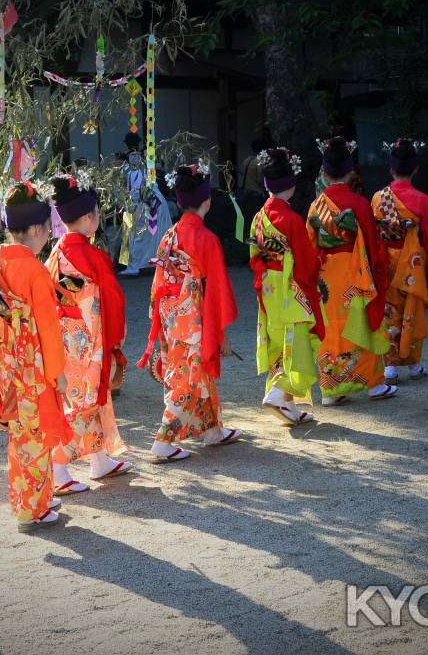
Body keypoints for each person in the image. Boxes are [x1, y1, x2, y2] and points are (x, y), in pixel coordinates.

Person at [0, 183, 74, 531]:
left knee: (22, 436)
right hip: (33, 366)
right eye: (48, 231)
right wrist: (59, 373)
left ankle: (36, 497)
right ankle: (31, 509)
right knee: (35, 438)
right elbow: (48, 330)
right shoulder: (36, 272)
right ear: (37, 229)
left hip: (6, 364)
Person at [139, 162, 241, 463]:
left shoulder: (169, 235)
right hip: (194, 314)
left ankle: (212, 429)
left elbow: (159, 284)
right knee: (189, 376)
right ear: (207, 200)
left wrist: (160, 318)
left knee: (194, 368)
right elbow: (217, 290)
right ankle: (162, 440)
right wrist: (219, 333)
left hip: (172, 314)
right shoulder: (206, 239)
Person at [46, 174, 133, 495]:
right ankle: (58, 470)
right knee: (82, 403)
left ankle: (99, 459)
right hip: (89, 342)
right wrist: (115, 342)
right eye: (97, 212)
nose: (98, 216)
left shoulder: (54, 255)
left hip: (62, 340)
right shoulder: (93, 257)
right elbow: (111, 301)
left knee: (89, 399)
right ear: (87, 217)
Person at [307, 137, 396, 405]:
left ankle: (331, 390)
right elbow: (371, 243)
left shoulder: (315, 206)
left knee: (330, 327)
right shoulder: (358, 203)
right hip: (356, 272)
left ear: (323, 172)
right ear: (350, 172)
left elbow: (309, 246)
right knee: (362, 322)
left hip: (326, 276)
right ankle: (374, 385)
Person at [250, 147, 325, 425]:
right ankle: (279, 392)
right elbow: (305, 263)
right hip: (291, 290)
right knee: (301, 344)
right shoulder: (292, 221)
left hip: (269, 288)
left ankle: (288, 407)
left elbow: (255, 256)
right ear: (291, 185)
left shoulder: (259, 217)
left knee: (281, 343)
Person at [371, 139, 428, 384]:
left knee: (389, 312)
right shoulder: (421, 199)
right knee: (413, 309)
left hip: (385, 261)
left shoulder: (378, 198)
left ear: (391, 169)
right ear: (416, 169)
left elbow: (371, 235)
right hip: (412, 262)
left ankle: (389, 367)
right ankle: (414, 364)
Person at [117, 132, 172, 277]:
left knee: (135, 235)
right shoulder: (144, 160)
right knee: (144, 234)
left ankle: (134, 266)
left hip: (142, 202)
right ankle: (148, 263)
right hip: (150, 200)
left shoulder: (130, 163)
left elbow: (134, 187)